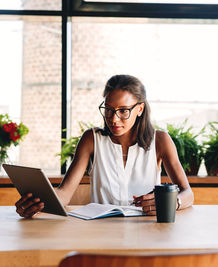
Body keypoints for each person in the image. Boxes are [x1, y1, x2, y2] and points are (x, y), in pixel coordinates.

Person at [15, 74, 194, 218]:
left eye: (123, 111)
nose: (113, 119)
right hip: (100, 232)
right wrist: (39, 205)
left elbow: (187, 193)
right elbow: (64, 193)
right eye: (108, 109)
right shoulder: (91, 139)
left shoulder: (160, 140)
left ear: (139, 109)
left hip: (147, 230)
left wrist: (171, 202)